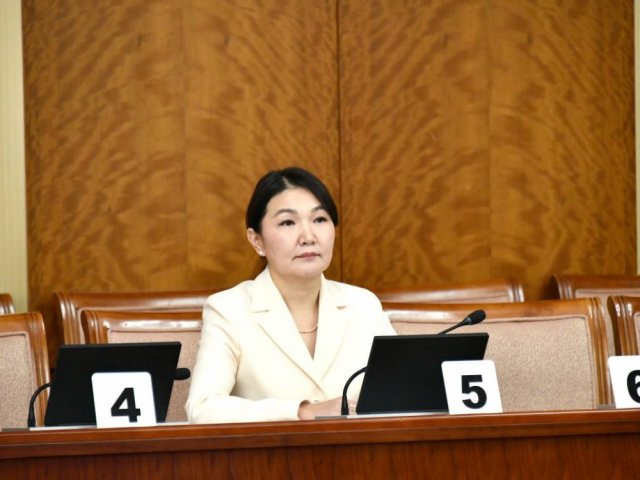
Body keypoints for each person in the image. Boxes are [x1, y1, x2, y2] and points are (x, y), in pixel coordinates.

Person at [186, 167, 395, 423]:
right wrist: (302, 411)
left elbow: (404, 391)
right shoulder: (229, 309)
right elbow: (202, 408)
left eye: (319, 219)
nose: (308, 237)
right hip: (272, 449)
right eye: (288, 222)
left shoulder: (363, 304)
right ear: (256, 240)